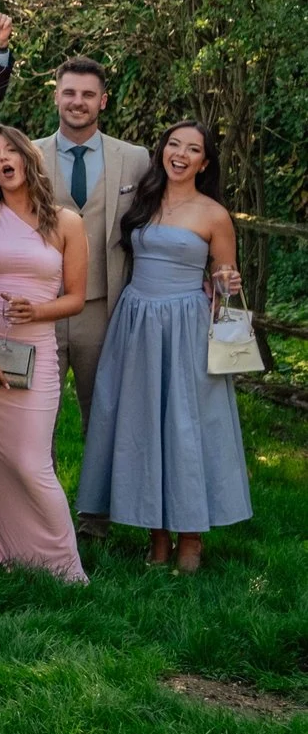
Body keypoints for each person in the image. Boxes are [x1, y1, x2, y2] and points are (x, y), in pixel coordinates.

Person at [76, 122, 251, 571]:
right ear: (162, 151)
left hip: (186, 326)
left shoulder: (214, 214)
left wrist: (227, 280)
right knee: (143, 423)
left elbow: (226, 280)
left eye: (192, 149)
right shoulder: (142, 201)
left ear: (204, 162)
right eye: (174, 144)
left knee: (185, 426)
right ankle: (156, 535)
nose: (180, 153)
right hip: (136, 323)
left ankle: (190, 537)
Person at [0, 126, 88, 583]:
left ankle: (66, 568)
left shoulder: (67, 222)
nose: (2, 158)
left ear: (28, 158)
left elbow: (76, 297)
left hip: (37, 350)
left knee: (32, 462)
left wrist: (39, 309)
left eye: (10, 150)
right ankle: (15, 559)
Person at [33, 58, 148, 502]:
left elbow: (160, 219)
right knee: (36, 416)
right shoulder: (30, 153)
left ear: (102, 100)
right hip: (40, 308)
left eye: (86, 95)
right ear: (56, 95)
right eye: (69, 93)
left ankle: (97, 515)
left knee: (101, 415)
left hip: (102, 306)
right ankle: (43, 510)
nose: (77, 102)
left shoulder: (134, 160)